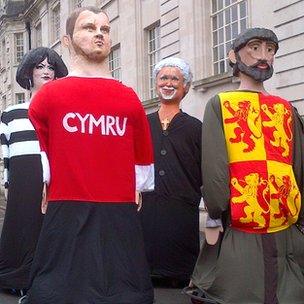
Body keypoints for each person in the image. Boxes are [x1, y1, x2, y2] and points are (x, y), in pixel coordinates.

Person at [20, 6, 154, 304]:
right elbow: (40, 146)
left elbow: (142, 150)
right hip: (66, 209)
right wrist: (44, 181)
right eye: (89, 27)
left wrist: (139, 184)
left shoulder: (128, 96)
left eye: (104, 29)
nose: (99, 33)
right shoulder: (49, 97)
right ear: (67, 40)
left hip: (118, 212)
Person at [185, 28, 304, 304]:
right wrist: (219, 210)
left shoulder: (285, 108)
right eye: (254, 48)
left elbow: (298, 166)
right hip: (243, 225)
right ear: (233, 56)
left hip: (282, 228)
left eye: (270, 50)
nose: (263, 56)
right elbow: (215, 170)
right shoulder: (221, 104)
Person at [0, 47, 67, 295]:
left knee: (52, 227)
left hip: (57, 175)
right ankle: (16, 278)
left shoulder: (63, 111)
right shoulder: (11, 114)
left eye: (51, 67)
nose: (46, 71)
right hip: (24, 176)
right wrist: (8, 183)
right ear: (30, 72)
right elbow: (6, 153)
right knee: (22, 225)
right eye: (40, 66)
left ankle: (50, 278)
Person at [140, 57, 202, 285]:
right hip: (145, 207)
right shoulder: (142, 124)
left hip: (182, 207)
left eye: (174, 78)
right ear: (156, 83)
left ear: (185, 85)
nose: (168, 83)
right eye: (163, 78)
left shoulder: (196, 128)